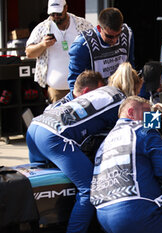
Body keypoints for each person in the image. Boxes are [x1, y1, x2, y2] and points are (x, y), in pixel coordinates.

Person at [26, 62, 142, 233]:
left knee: (39, 189)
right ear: (134, 88)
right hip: (54, 137)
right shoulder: (123, 102)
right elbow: (140, 127)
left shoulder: (101, 92)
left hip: (35, 127)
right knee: (89, 190)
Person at [90, 95, 162, 233]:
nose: (149, 118)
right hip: (136, 211)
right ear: (131, 112)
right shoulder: (142, 129)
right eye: (146, 113)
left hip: (103, 216)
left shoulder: (105, 141)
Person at [25, 0, 93, 103]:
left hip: (81, 87)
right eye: (53, 14)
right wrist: (42, 45)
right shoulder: (42, 28)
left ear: (66, 8)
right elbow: (29, 53)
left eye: (59, 13)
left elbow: (95, 44)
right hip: (56, 90)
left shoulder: (81, 24)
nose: (56, 16)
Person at [68, 7, 135, 91]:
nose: (114, 40)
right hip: (95, 96)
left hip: (120, 92)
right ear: (99, 28)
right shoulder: (82, 45)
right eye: (109, 36)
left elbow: (131, 65)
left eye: (118, 35)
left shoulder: (127, 34)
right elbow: (75, 84)